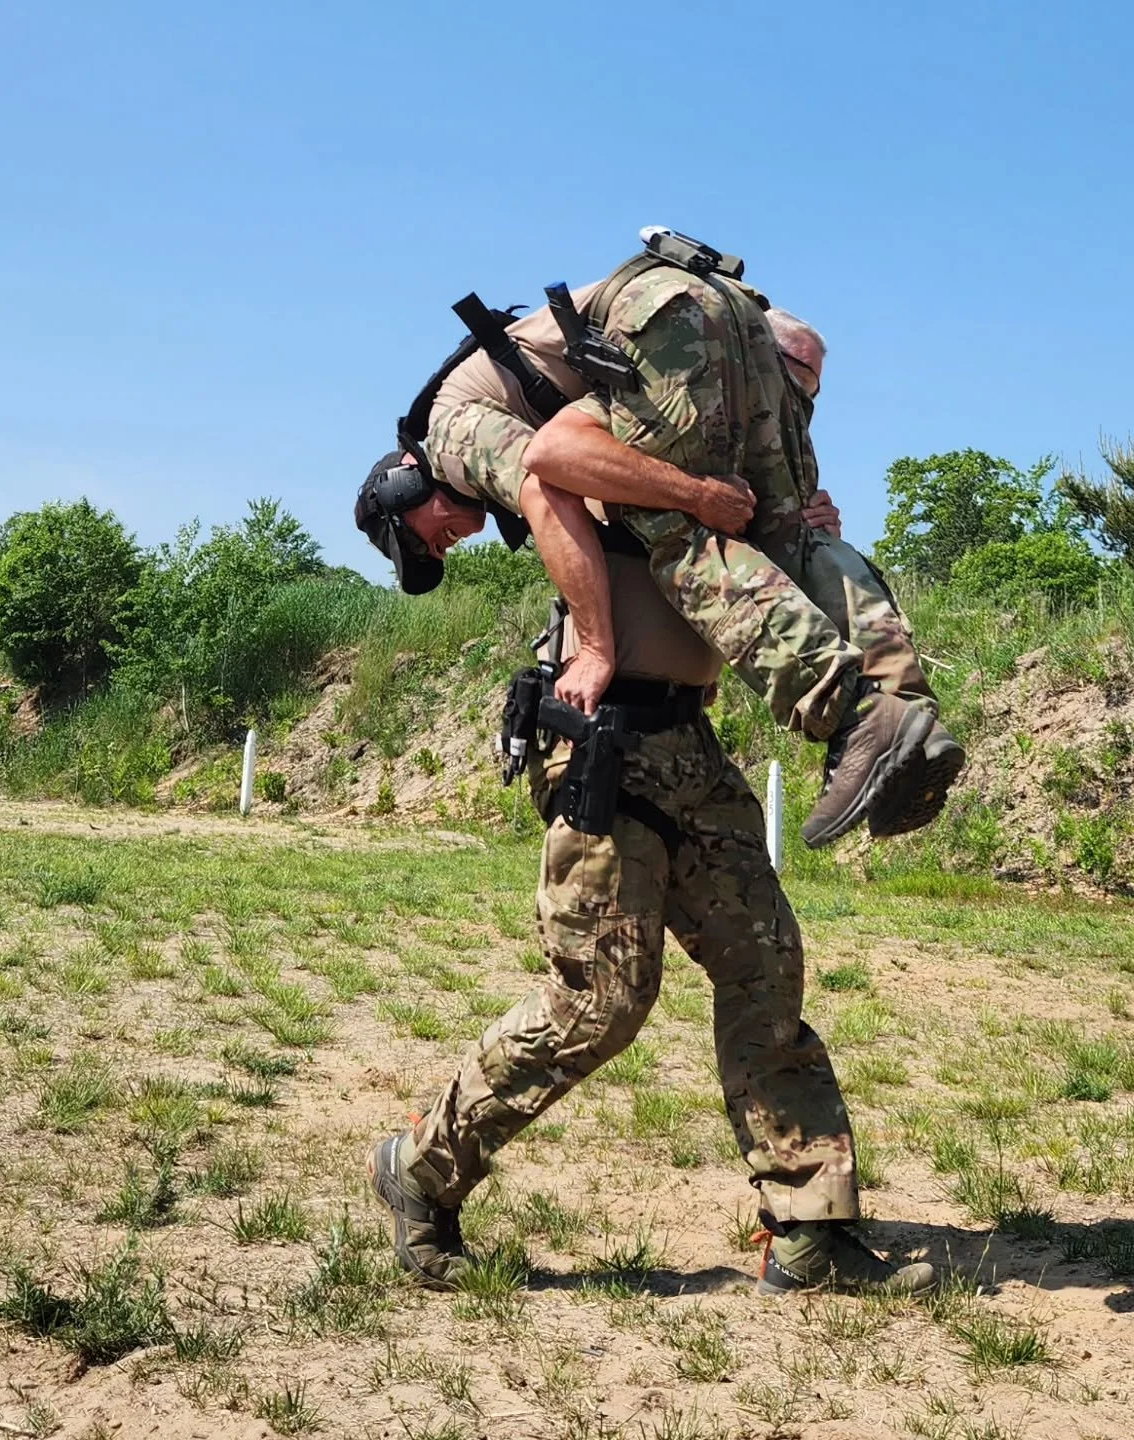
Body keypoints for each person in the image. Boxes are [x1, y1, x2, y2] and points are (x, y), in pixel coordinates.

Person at [362, 452, 936, 1297]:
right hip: (600, 741)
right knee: (602, 999)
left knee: (764, 962)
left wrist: (797, 533)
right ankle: (421, 1169)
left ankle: (809, 1228)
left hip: (686, 745)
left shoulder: (675, 464)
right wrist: (706, 495)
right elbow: (548, 463)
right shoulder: (581, 463)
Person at [357, 238, 963, 847]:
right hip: (732, 313)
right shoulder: (508, 383)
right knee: (791, 532)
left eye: (423, 541)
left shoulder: (450, 428)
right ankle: (908, 711)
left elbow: (548, 473)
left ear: (405, 482)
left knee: (679, 533)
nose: (444, 548)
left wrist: (596, 647)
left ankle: (854, 718)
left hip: (663, 318)